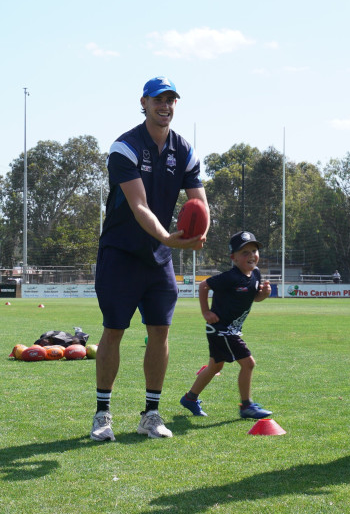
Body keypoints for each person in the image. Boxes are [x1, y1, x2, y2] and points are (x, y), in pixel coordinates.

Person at [91, 76, 209, 442]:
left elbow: (200, 203)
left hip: (158, 258)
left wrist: (201, 230)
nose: (166, 105)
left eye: (172, 99)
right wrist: (168, 237)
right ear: (143, 102)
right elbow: (138, 204)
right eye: (159, 98)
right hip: (121, 253)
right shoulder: (124, 147)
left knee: (160, 331)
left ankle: (151, 414)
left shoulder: (185, 151)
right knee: (114, 331)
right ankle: (102, 414)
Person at [180, 231, 273, 419]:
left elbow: (254, 298)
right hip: (222, 330)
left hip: (229, 330)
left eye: (254, 251)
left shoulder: (255, 274)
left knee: (215, 367)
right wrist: (206, 312)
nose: (251, 255)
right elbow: (203, 285)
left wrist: (264, 294)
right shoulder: (230, 277)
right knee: (248, 364)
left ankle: (190, 398)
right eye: (244, 252)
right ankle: (246, 406)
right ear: (234, 258)